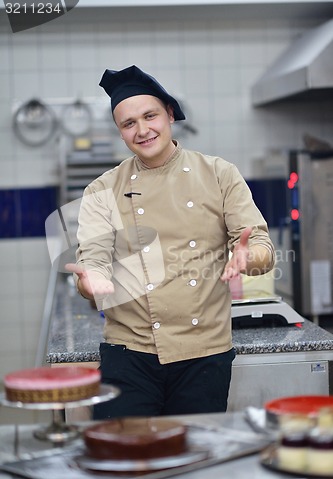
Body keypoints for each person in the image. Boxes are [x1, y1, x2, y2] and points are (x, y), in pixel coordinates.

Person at [66, 65, 275, 419]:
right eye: (129, 123)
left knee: (194, 463)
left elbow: (260, 245)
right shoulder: (102, 190)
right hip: (128, 352)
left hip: (204, 354)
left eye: (150, 116)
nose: (142, 130)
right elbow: (93, 259)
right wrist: (89, 280)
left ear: (171, 115)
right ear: (121, 133)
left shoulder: (219, 174)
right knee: (126, 462)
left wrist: (249, 258)